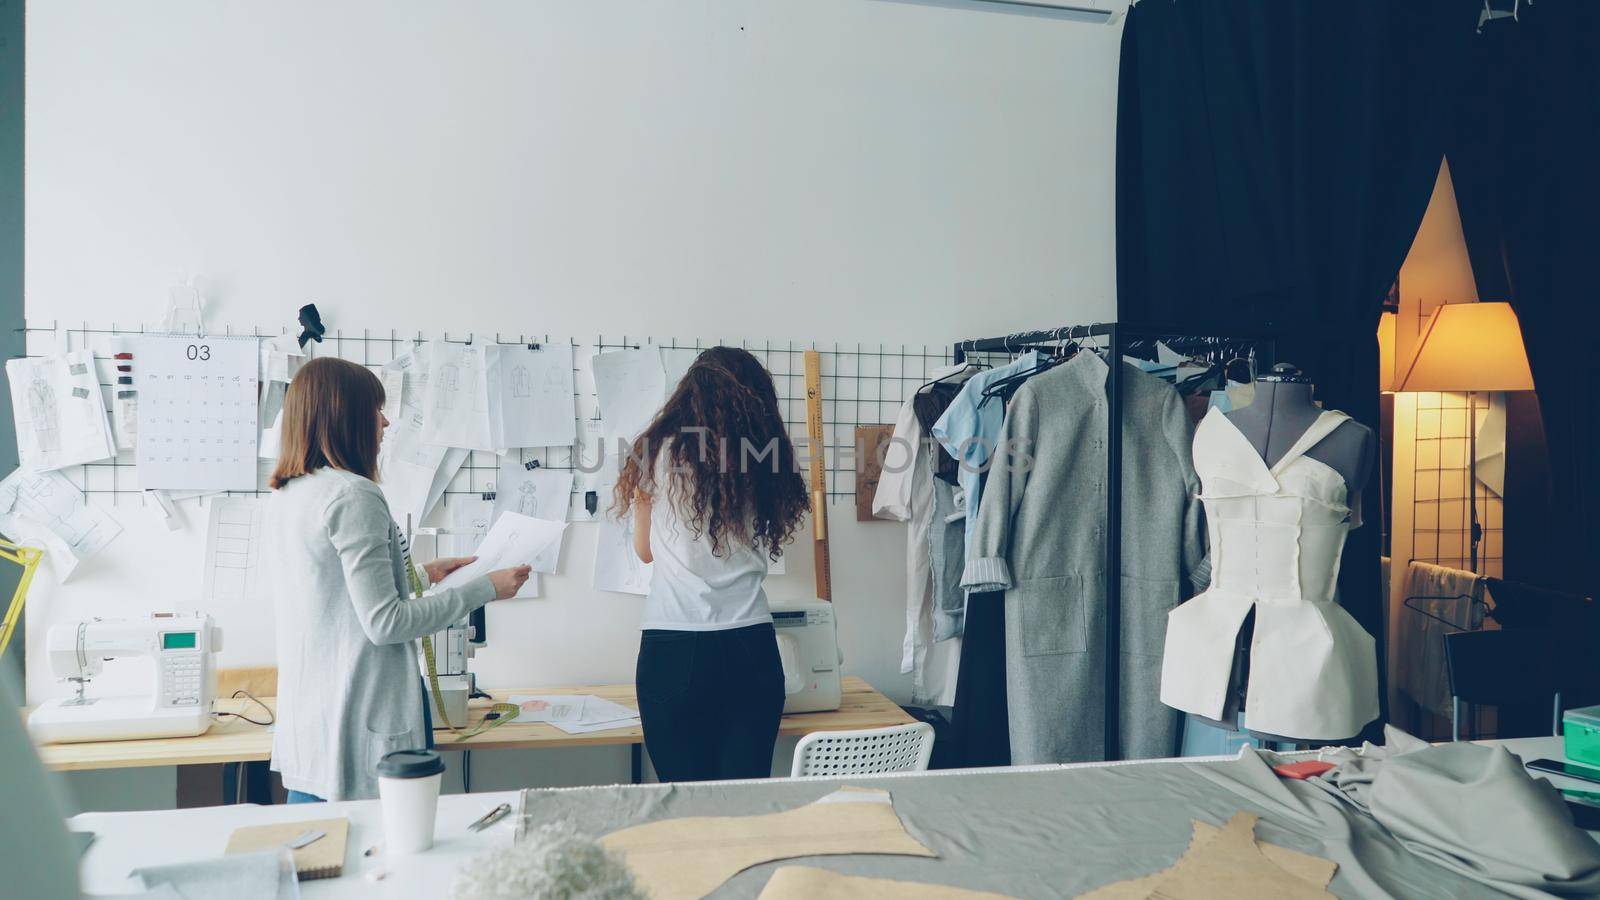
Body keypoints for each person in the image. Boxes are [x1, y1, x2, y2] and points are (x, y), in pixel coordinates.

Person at [264, 357, 530, 802]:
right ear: (344, 415)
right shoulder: (353, 495)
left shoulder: (291, 494)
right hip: (361, 723)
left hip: (312, 727)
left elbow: (332, 596)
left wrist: (424, 574)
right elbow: (385, 623)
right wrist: (486, 589)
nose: (385, 422)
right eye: (376, 409)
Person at [612, 347, 808, 782]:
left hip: (673, 645)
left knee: (685, 799)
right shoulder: (765, 459)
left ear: (688, 394)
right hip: (749, 645)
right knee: (744, 795)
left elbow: (645, 552)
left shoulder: (655, 454)